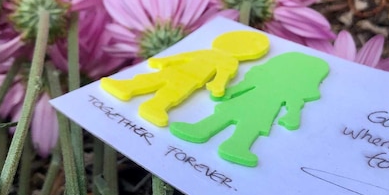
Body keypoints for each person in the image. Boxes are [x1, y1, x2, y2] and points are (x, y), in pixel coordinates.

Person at [170, 51, 329, 167]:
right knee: (226, 116)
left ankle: (237, 146)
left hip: (263, 110)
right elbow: (244, 85)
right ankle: (199, 129)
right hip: (250, 102)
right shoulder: (266, 80)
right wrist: (228, 92)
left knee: (249, 126)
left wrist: (292, 116)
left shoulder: (289, 90)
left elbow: (295, 104)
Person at [100, 30, 269, 126]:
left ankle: (155, 107)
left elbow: (223, 75)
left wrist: (218, 85)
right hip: (178, 70)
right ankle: (125, 87)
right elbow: (184, 56)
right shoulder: (208, 52)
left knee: (172, 94)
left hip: (192, 80)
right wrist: (163, 60)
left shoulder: (230, 61)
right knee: (151, 80)